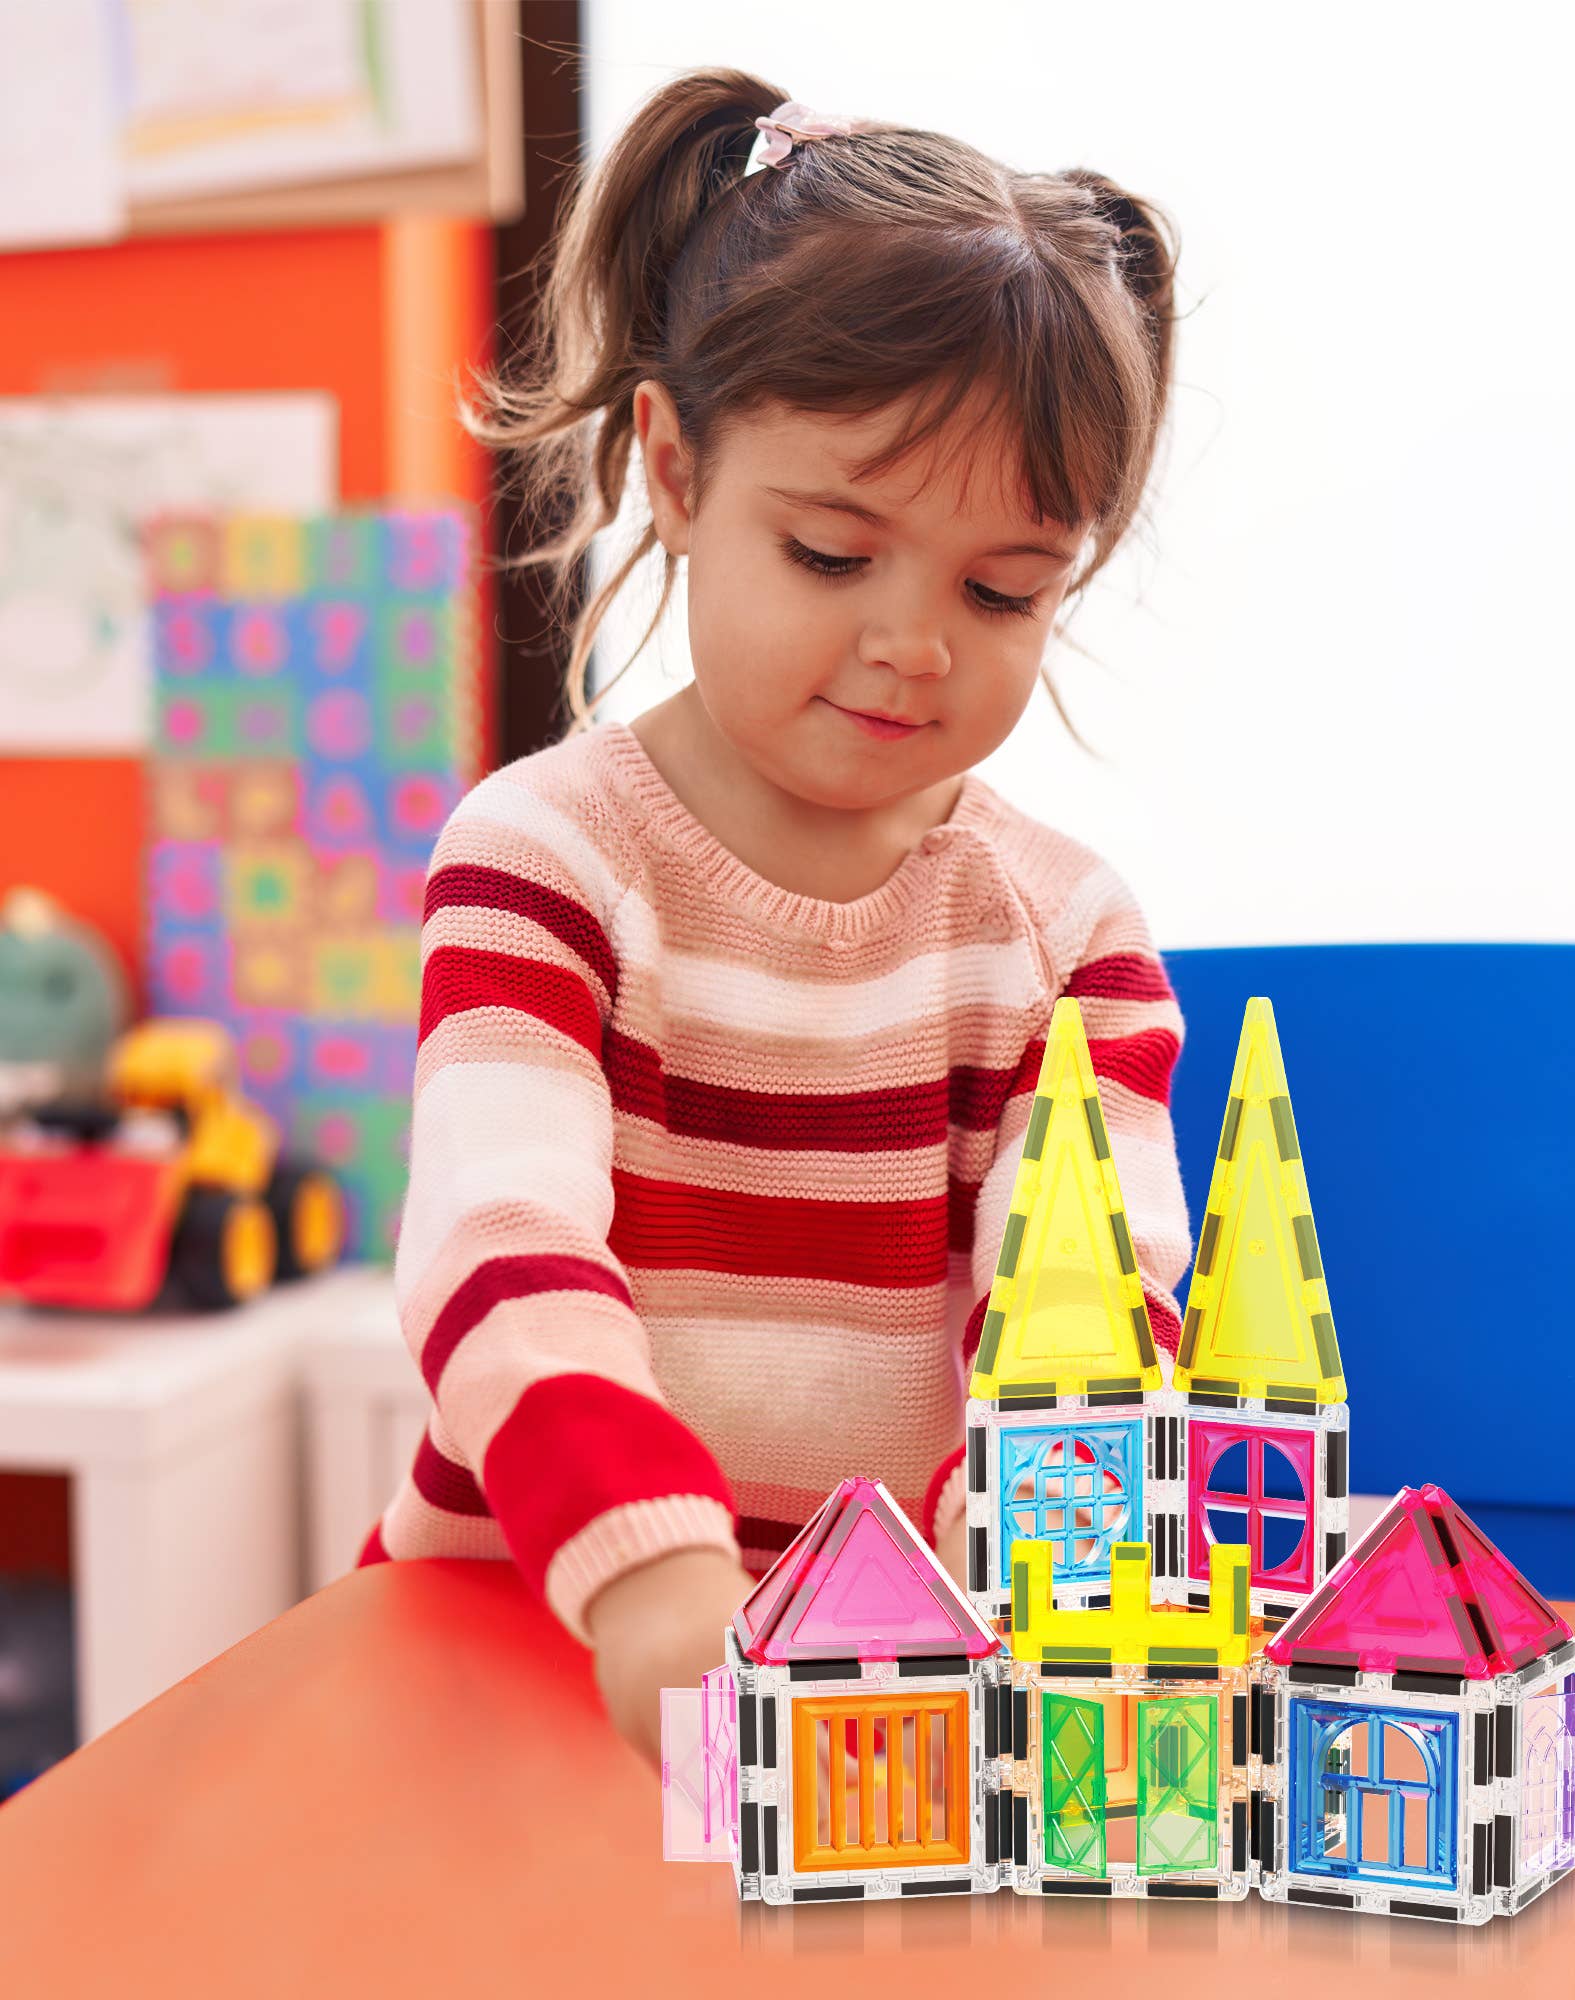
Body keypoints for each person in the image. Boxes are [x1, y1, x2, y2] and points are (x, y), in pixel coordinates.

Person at [362, 66, 1193, 1766]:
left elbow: (1086, 1332)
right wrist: (655, 1569)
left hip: (878, 1703)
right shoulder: (545, 858)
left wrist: (973, 1626)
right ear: (671, 466)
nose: (916, 643)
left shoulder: (1064, 938)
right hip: (528, 1633)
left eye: (1003, 589)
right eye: (833, 553)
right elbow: (496, 1235)